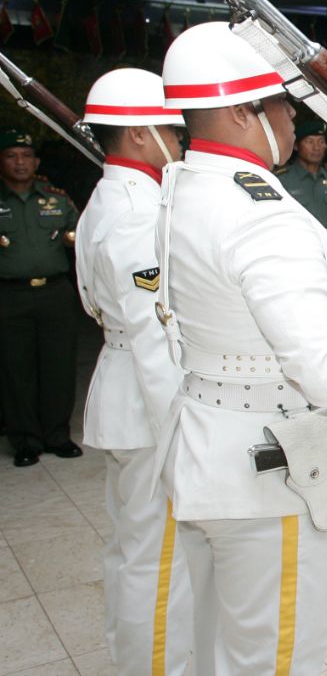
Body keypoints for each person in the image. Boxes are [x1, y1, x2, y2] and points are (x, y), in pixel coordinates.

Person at [155, 21, 327, 673]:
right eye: (280, 101)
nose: (288, 116)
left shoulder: (184, 188)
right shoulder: (260, 214)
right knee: (275, 653)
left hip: (204, 442)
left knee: (217, 640)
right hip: (268, 465)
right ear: (240, 109)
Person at [75, 69, 194, 672]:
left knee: (135, 552)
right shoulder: (136, 213)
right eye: (172, 128)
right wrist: (180, 427)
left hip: (123, 394)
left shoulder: (111, 196)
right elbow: (155, 334)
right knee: (157, 563)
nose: (180, 140)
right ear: (141, 134)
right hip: (150, 410)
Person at [0, 128, 81, 467]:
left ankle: (57, 436)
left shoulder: (57, 198)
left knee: (59, 365)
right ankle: (25, 441)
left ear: (36, 161)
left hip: (54, 291)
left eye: (26, 155)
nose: (20, 162)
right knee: (16, 369)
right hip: (10, 294)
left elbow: (81, 235)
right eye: (11, 155)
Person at [275, 119, 327, 266]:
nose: (316, 147)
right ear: (296, 146)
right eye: (310, 141)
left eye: (321, 141)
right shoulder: (281, 180)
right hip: (294, 256)